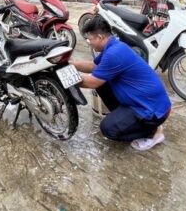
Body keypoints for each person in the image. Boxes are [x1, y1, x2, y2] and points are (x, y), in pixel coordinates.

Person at [69, 16, 171, 151]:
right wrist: (69, 64)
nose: (89, 43)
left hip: (153, 110)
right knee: (103, 84)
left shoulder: (114, 53)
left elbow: (91, 83)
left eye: (90, 39)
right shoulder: (113, 46)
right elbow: (93, 66)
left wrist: (66, 77)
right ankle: (129, 120)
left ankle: (153, 133)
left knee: (108, 129)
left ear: (99, 37)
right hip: (144, 101)